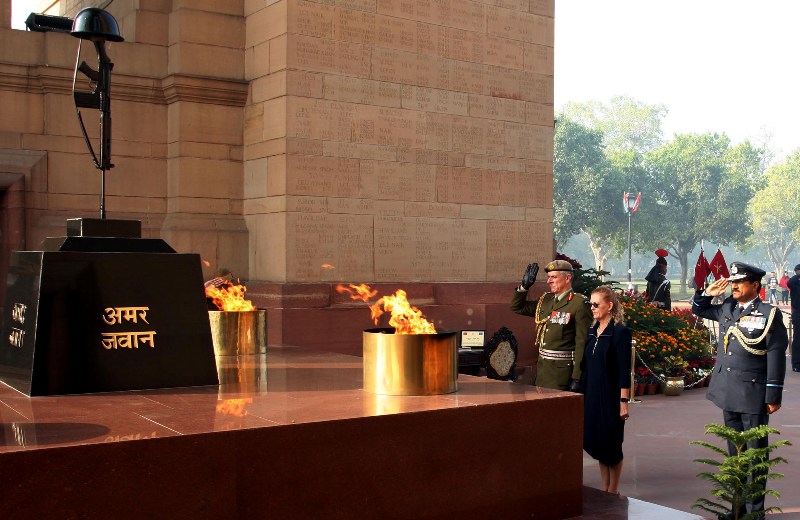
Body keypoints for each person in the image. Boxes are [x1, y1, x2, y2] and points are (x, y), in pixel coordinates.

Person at [692, 262, 787, 519]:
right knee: (735, 455)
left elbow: (776, 355)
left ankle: (755, 513)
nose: (733, 286)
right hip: (727, 391)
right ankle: (737, 509)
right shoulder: (727, 308)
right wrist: (707, 293)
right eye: (732, 282)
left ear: (755, 285)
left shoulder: (768, 313)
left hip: (753, 394)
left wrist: (773, 394)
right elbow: (698, 308)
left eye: (739, 282)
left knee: (755, 457)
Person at [510, 259, 591, 391]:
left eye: (553, 277)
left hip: (562, 372)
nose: (549, 281)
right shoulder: (546, 300)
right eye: (548, 277)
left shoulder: (579, 303)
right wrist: (524, 287)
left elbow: (582, 343)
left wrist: (577, 376)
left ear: (568, 278)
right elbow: (517, 307)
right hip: (543, 369)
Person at [581, 286, 631, 495]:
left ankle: (613, 490)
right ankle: (604, 489)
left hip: (610, 397)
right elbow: (587, 366)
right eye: (590, 304)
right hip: (592, 395)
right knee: (598, 443)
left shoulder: (619, 332)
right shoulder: (592, 331)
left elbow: (623, 369)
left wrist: (623, 401)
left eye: (596, 304)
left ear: (609, 306)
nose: (592, 308)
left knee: (611, 445)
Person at [786, 264, 800, 372]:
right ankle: (796, 363)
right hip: (798, 311)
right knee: (798, 338)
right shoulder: (794, 282)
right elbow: (789, 283)